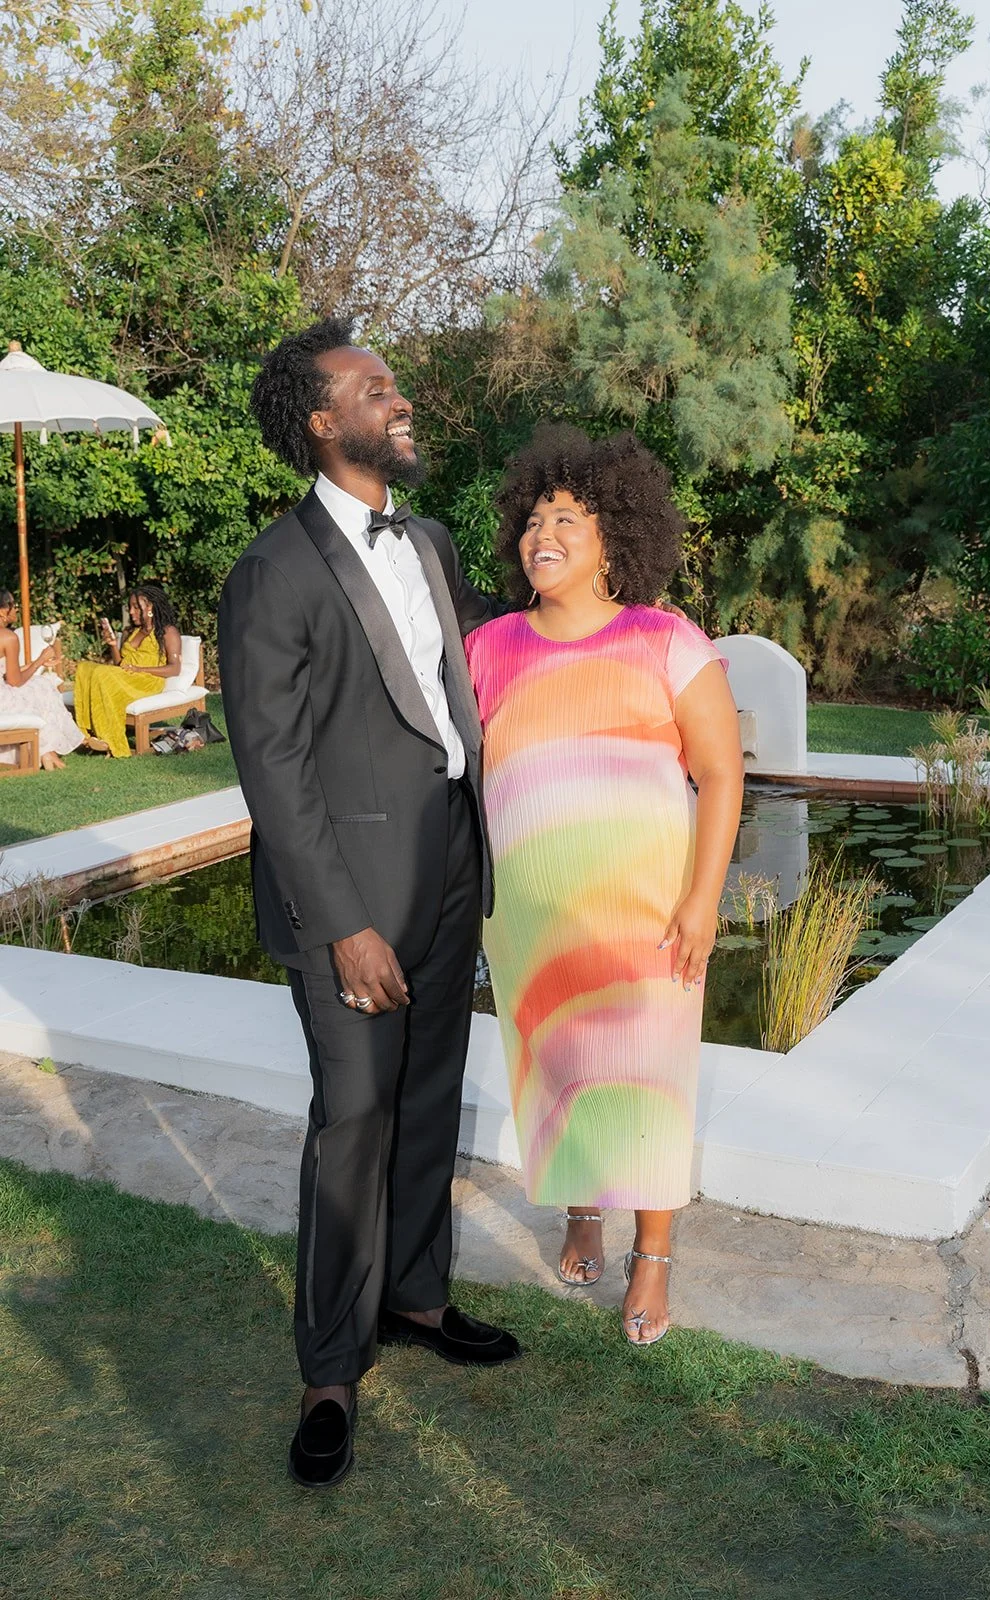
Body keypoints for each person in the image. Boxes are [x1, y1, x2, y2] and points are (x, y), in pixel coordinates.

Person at [218, 317, 520, 1493]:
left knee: (430, 1091)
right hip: (349, 896)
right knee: (352, 1117)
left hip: (450, 864)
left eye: (394, 385)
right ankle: (330, 1369)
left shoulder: (430, 541)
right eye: (374, 387)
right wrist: (341, 922)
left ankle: (416, 1296)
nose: (399, 400)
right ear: (318, 418)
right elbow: (273, 768)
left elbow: (465, 682)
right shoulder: (274, 571)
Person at [465, 425, 745, 1347]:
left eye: (568, 519)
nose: (542, 533)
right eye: (534, 518)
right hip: (532, 917)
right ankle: (580, 1210)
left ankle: (651, 1255)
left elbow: (720, 771)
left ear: (615, 539)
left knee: (650, 1078)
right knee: (557, 1064)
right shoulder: (489, 646)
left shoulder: (665, 639)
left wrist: (701, 899)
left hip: (647, 914)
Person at [73, 584, 183, 757]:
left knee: (102, 673)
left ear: (150, 607)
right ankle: (86, 732)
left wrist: (139, 669)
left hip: (147, 681)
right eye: (130, 607)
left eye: (136, 607)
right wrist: (112, 645)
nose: (132, 612)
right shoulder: (132, 632)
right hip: (126, 678)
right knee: (84, 668)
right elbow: (120, 664)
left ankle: (110, 739)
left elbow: (175, 668)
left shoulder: (168, 632)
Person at [0, 590, 82, 770]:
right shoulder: (7, 637)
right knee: (41, 685)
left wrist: (36, 662)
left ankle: (45, 751)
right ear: (3, 611)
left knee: (38, 686)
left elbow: (6, 673)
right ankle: (46, 751)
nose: (17, 610)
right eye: (14, 605)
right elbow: (14, 681)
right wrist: (38, 662)